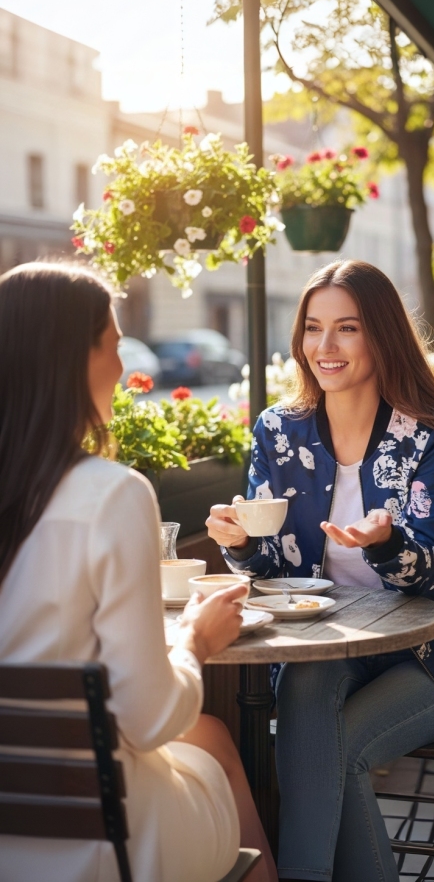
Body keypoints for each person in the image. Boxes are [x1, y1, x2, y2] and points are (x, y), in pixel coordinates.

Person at [206, 260, 434, 882]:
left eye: (347, 329)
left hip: (429, 653)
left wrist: (386, 542)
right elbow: (270, 566)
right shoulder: (279, 432)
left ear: (381, 334)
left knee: (339, 752)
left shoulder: (426, 437)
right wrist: (240, 544)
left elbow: (429, 564)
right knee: (308, 705)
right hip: (326, 648)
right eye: (313, 328)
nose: (324, 347)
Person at [0, 263, 277, 882]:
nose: (123, 369)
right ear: (76, 359)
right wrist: (196, 641)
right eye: (114, 345)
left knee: (207, 738)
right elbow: (149, 719)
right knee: (217, 759)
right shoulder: (110, 495)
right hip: (108, 844)